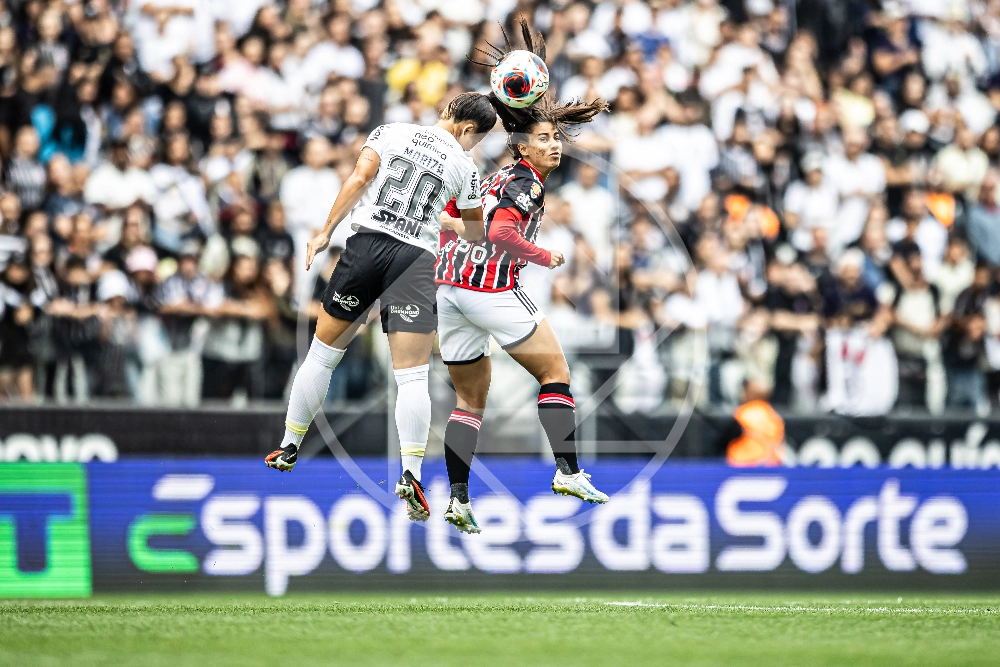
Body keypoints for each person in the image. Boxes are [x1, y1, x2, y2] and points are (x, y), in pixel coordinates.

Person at [264, 91, 497, 527]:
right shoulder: (466, 168)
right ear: (468, 130)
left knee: (322, 355)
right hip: (415, 263)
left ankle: (290, 443)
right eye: (476, 139)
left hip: (367, 246)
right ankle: (411, 472)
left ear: (446, 111)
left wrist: (323, 232)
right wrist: (446, 222)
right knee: (411, 375)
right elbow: (475, 234)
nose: (472, 146)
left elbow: (357, 179)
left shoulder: (391, 131)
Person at [435, 20, 610, 533]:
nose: (554, 146)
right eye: (544, 138)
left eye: (557, 138)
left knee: (469, 401)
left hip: (449, 291)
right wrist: (542, 254)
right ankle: (568, 471)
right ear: (522, 146)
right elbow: (500, 233)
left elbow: (457, 216)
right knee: (555, 374)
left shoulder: (493, 176)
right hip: (488, 289)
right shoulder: (526, 184)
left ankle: (459, 499)